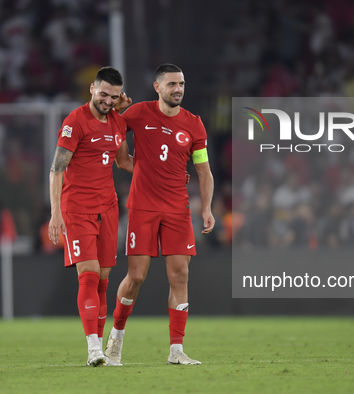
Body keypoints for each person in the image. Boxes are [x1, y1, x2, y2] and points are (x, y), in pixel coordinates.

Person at [104, 63, 215, 366]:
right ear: (157, 88)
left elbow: (203, 171)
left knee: (180, 275)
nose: (177, 89)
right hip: (142, 206)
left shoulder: (194, 124)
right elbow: (113, 131)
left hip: (178, 209)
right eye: (171, 84)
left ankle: (177, 350)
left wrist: (205, 208)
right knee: (136, 276)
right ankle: (115, 337)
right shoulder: (139, 113)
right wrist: (127, 161)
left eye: (181, 84)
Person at [48, 66, 133, 367]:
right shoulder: (75, 122)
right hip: (77, 208)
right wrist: (56, 213)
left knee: (104, 281)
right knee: (89, 274)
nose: (106, 100)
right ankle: (93, 348)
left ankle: (102, 354)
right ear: (92, 89)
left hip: (107, 207)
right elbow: (57, 169)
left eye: (112, 96)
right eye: (102, 94)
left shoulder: (117, 123)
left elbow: (124, 162)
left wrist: (166, 169)